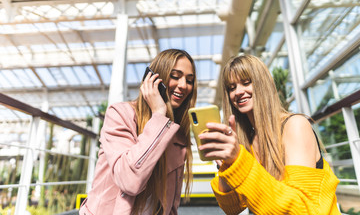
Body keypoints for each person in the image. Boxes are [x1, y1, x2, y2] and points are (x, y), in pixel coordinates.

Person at [198, 54, 340, 214]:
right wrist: (227, 164)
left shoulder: (295, 126)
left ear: (262, 84)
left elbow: (301, 210)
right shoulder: (248, 141)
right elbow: (233, 208)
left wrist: (239, 159)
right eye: (232, 88)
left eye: (246, 83)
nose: (238, 92)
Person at [79, 49, 197, 215]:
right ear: (154, 79)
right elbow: (129, 181)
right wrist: (158, 115)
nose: (184, 85)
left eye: (189, 80)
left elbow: (171, 206)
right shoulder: (120, 115)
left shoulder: (178, 138)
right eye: (175, 76)